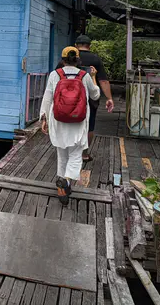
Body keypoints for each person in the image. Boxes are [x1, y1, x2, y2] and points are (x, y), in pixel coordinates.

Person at [41, 46, 101, 205]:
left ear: (63, 59)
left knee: (62, 154)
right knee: (76, 154)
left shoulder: (55, 75)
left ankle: (62, 190)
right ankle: (66, 181)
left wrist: (44, 118)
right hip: (78, 120)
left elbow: (47, 97)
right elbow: (95, 94)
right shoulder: (84, 75)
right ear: (78, 59)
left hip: (58, 120)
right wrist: (94, 77)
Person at [55, 34, 114, 162]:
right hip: (89, 98)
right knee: (89, 125)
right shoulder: (95, 59)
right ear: (89, 46)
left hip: (67, 98)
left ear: (76, 45)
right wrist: (109, 98)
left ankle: (67, 151)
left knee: (67, 122)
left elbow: (56, 78)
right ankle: (84, 154)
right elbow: (103, 81)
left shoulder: (67, 58)